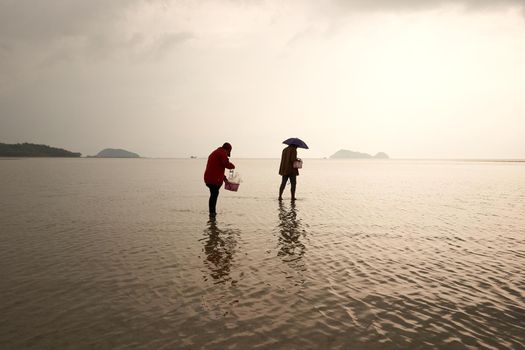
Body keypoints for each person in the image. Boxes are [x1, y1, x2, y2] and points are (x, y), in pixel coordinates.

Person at [204, 142, 235, 216]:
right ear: (227, 150)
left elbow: (216, 168)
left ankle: (212, 214)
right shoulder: (222, 153)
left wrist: (224, 178)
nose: (228, 154)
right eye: (228, 152)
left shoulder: (215, 153)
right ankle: (212, 213)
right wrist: (232, 166)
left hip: (209, 178)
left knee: (213, 194)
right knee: (214, 194)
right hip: (214, 179)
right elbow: (226, 164)